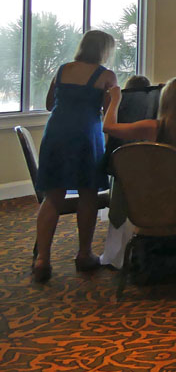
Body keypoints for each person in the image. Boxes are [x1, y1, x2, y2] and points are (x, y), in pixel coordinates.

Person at [32, 30, 118, 283]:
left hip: (56, 133)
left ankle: (42, 260)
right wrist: (115, 98)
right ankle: (84, 254)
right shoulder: (105, 75)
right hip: (85, 136)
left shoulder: (62, 70)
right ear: (104, 50)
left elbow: (50, 105)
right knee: (88, 194)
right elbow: (108, 113)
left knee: (53, 196)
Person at [103, 77, 176, 217]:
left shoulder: (153, 127)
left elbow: (108, 127)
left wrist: (115, 99)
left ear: (164, 100)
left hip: (161, 200)